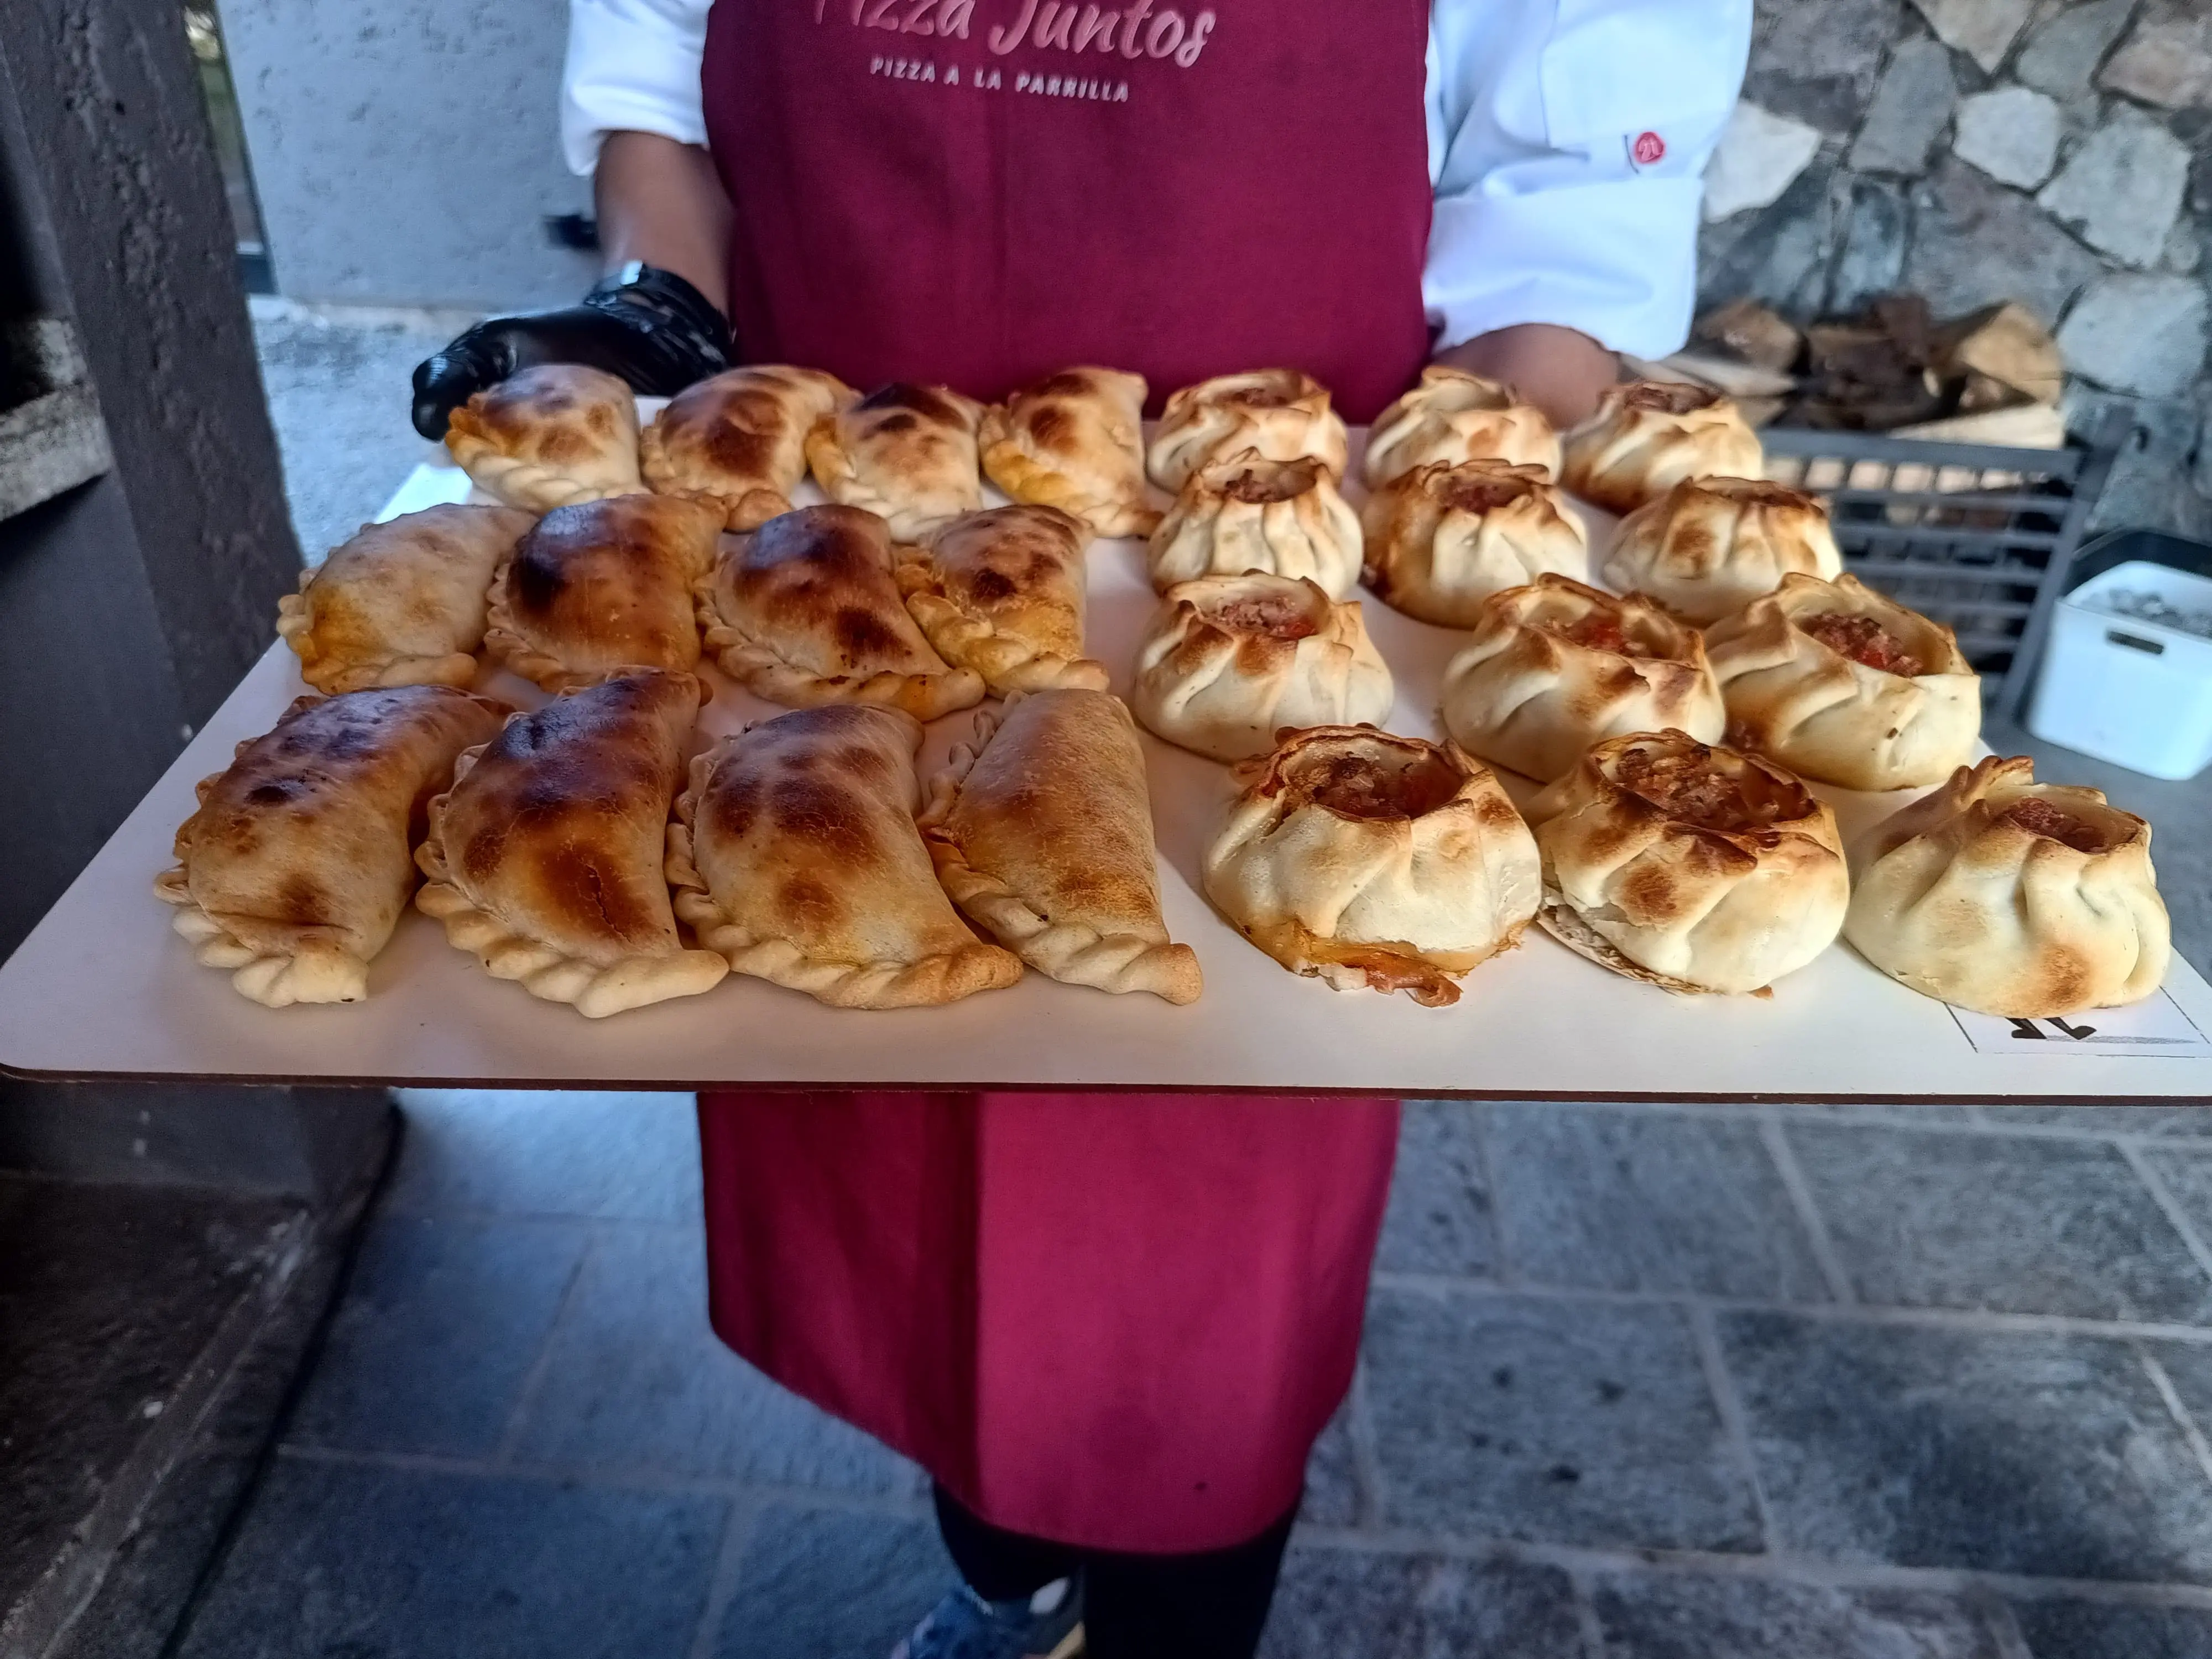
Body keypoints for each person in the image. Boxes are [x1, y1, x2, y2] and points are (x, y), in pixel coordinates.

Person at [410, 2, 1749, 1652]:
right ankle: (1006, 1591)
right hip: (820, 603)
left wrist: (1416, 522)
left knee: (1193, 1295)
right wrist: (650, 315)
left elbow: (1568, 221)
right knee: (878, 1136)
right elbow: (660, 76)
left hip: (1257, 681)